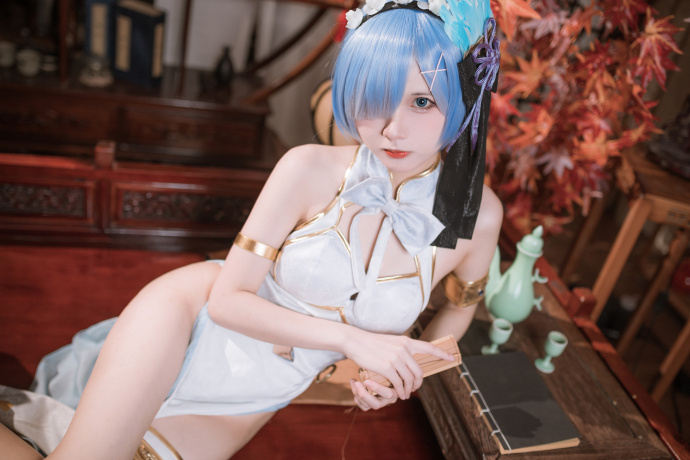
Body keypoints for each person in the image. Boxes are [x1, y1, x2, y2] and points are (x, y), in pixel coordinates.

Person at [19, 1, 503, 459]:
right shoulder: (307, 168)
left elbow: (459, 309)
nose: (392, 128)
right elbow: (226, 301)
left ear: (467, 95)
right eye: (375, 99)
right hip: (188, 318)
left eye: (422, 101)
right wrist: (352, 342)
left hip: (252, 399)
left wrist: (400, 373)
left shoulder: (478, 218)